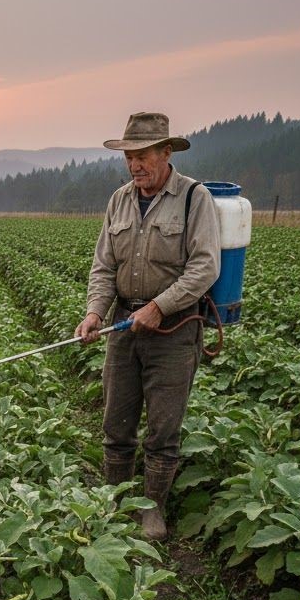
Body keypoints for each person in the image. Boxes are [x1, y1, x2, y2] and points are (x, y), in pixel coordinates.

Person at [75, 112, 220, 541]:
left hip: (174, 329)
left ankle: (153, 509)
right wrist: (95, 313)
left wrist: (160, 306)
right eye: (128, 157)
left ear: (166, 153)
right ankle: (115, 502)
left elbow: (205, 267)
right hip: (123, 326)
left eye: (142, 156)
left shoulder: (194, 198)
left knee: (163, 428)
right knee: (116, 424)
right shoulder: (119, 200)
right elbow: (104, 267)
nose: (135, 165)